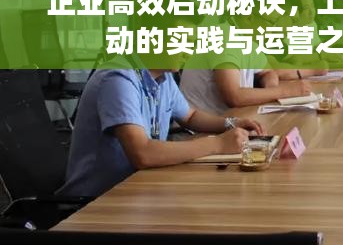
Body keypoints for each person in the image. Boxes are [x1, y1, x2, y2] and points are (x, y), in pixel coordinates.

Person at [57, 15, 264, 198]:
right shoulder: (118, 78)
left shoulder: (163, 77)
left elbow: (190, 116)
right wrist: (217, 144)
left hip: (139, 189)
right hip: (96, 203)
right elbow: (142, 153)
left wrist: (231, 123)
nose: (190, 51)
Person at [180, 0, 313, 115]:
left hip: (232, 120)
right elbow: (234, 96)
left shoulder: (249, 39)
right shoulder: (224, 38)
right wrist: (285, 92)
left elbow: (268, 72)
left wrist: (272, 89)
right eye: (272, 23)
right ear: (249, 18)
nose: (275, 29)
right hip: (200, 128)